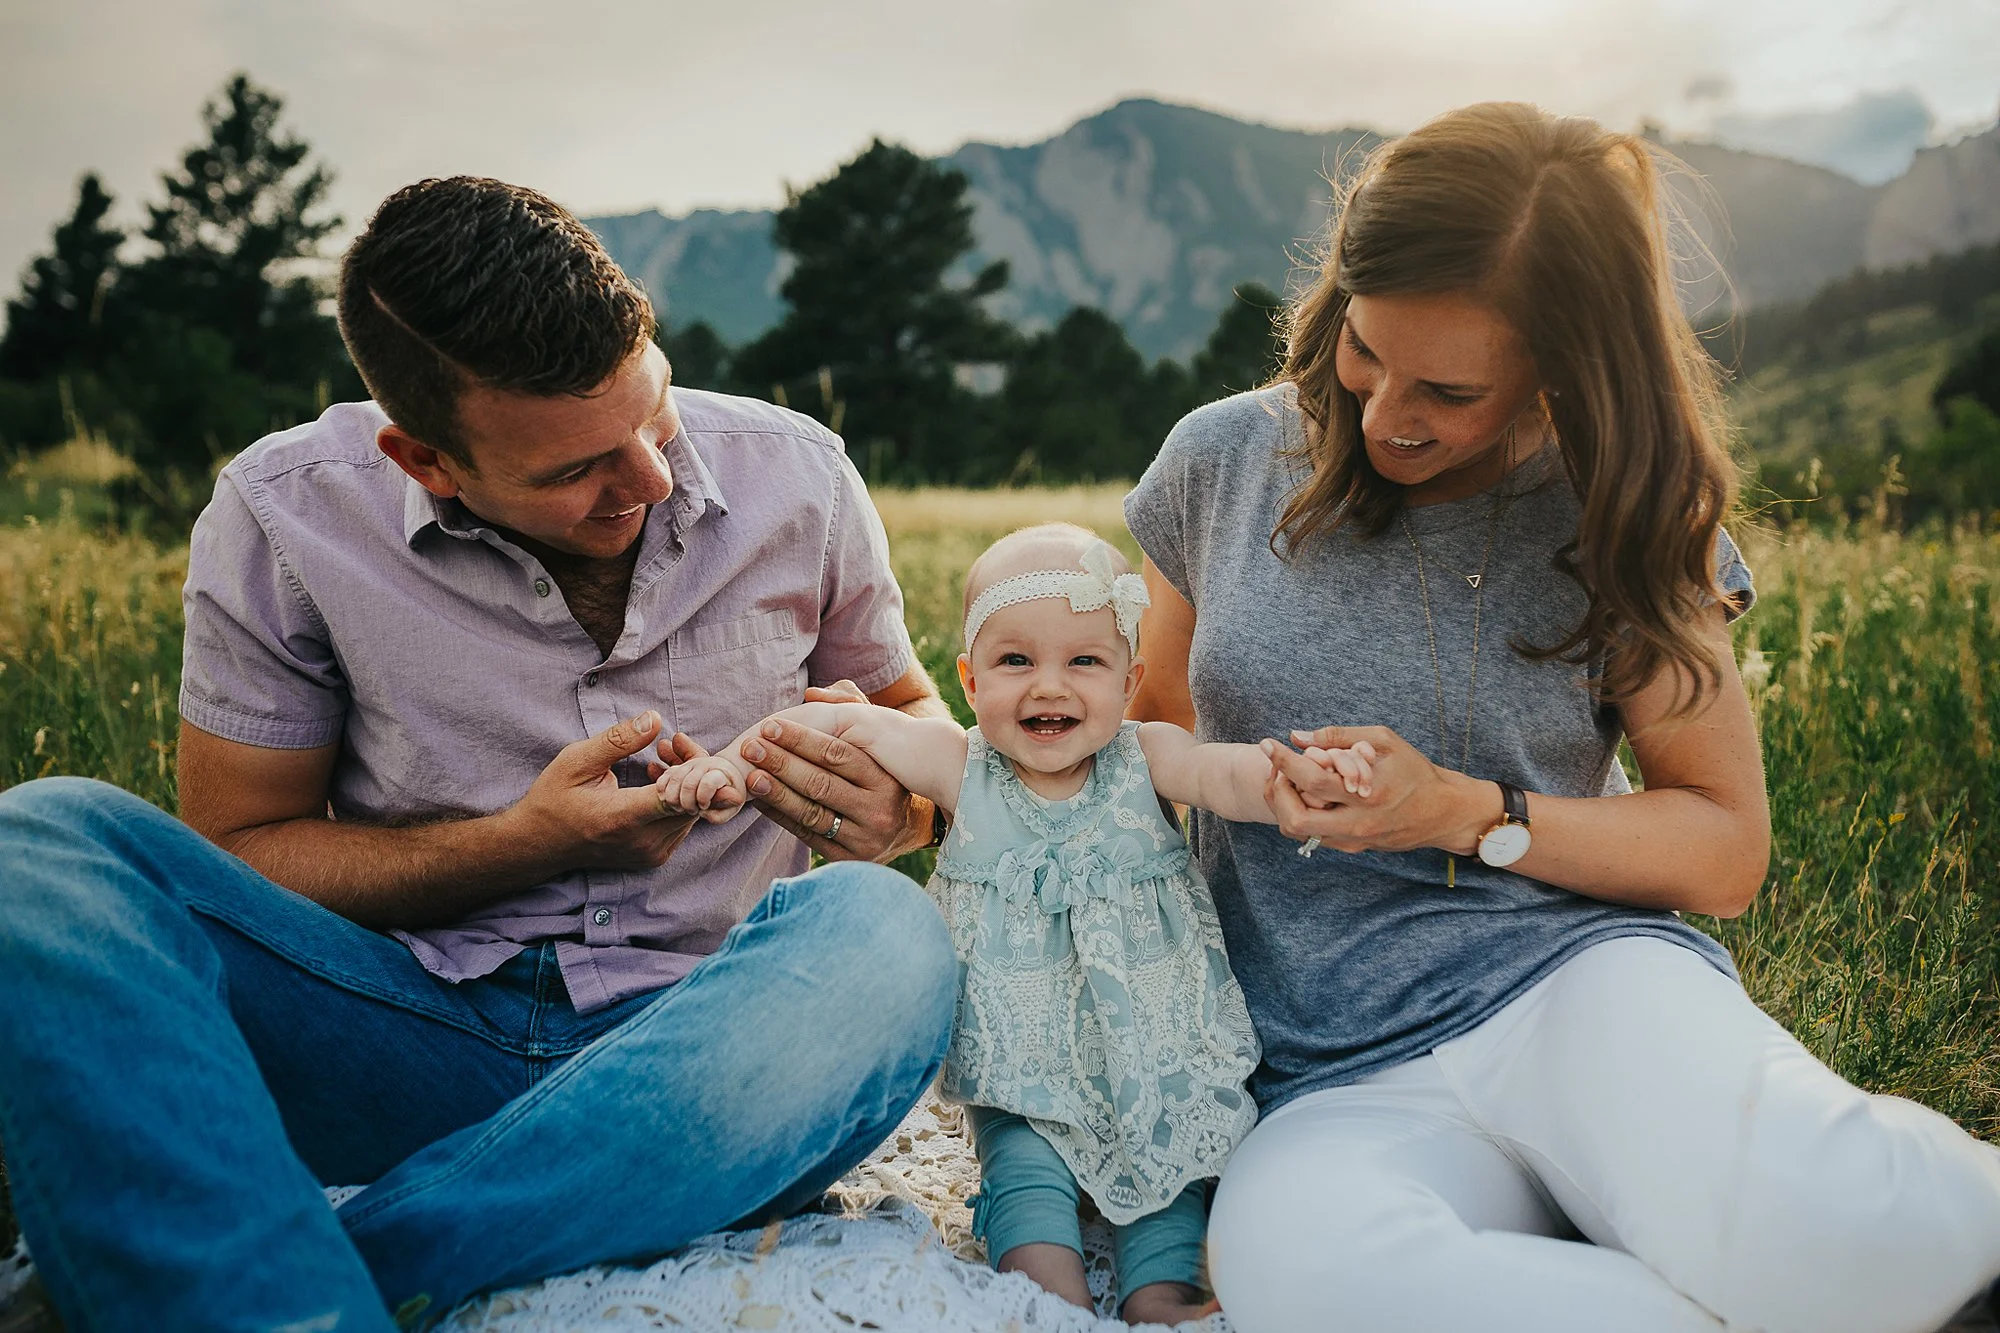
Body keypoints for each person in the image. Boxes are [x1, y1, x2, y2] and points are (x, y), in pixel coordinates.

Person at [0, 177, 959, 1330]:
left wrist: (901, 812)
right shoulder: (284, 514)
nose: (651, 482)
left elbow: (923, 734)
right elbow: (242, 850)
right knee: (40, 842)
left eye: (652, 420)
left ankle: (303, 1281)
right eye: (574, 472)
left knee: (886, 932)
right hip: (398, 1030)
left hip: (713, 1057)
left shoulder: (799, 473)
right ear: (426, 459)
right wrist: (521, 844)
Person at [1122, 103, 2000, 1333]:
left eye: (1448, 388)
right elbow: (1137, 755)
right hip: (1325, 1072)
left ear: (1564, 362)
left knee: (1844, 1228)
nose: (1382, 416)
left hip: (1574, 987)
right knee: (1307, 1282)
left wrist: (1465, 813)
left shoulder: (1628, 510)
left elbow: (1721, 846)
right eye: (1365, 353)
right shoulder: (1220, 459)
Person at [650, 523, 1374, 1325]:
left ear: (1131, 679)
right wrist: (727, 761)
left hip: (1151, 1052)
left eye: (1084, 662)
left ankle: (1160, 1300)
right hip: (1018, 1063)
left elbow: (1227, 773)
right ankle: (1048, 1303)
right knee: (1028, 1184)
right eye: (1016, 661)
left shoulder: (1146, 758)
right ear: (968, 677)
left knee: (1172, 1184)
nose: (1049, 687)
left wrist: (1292, 779)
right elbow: (836, 725)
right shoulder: (962, 766)